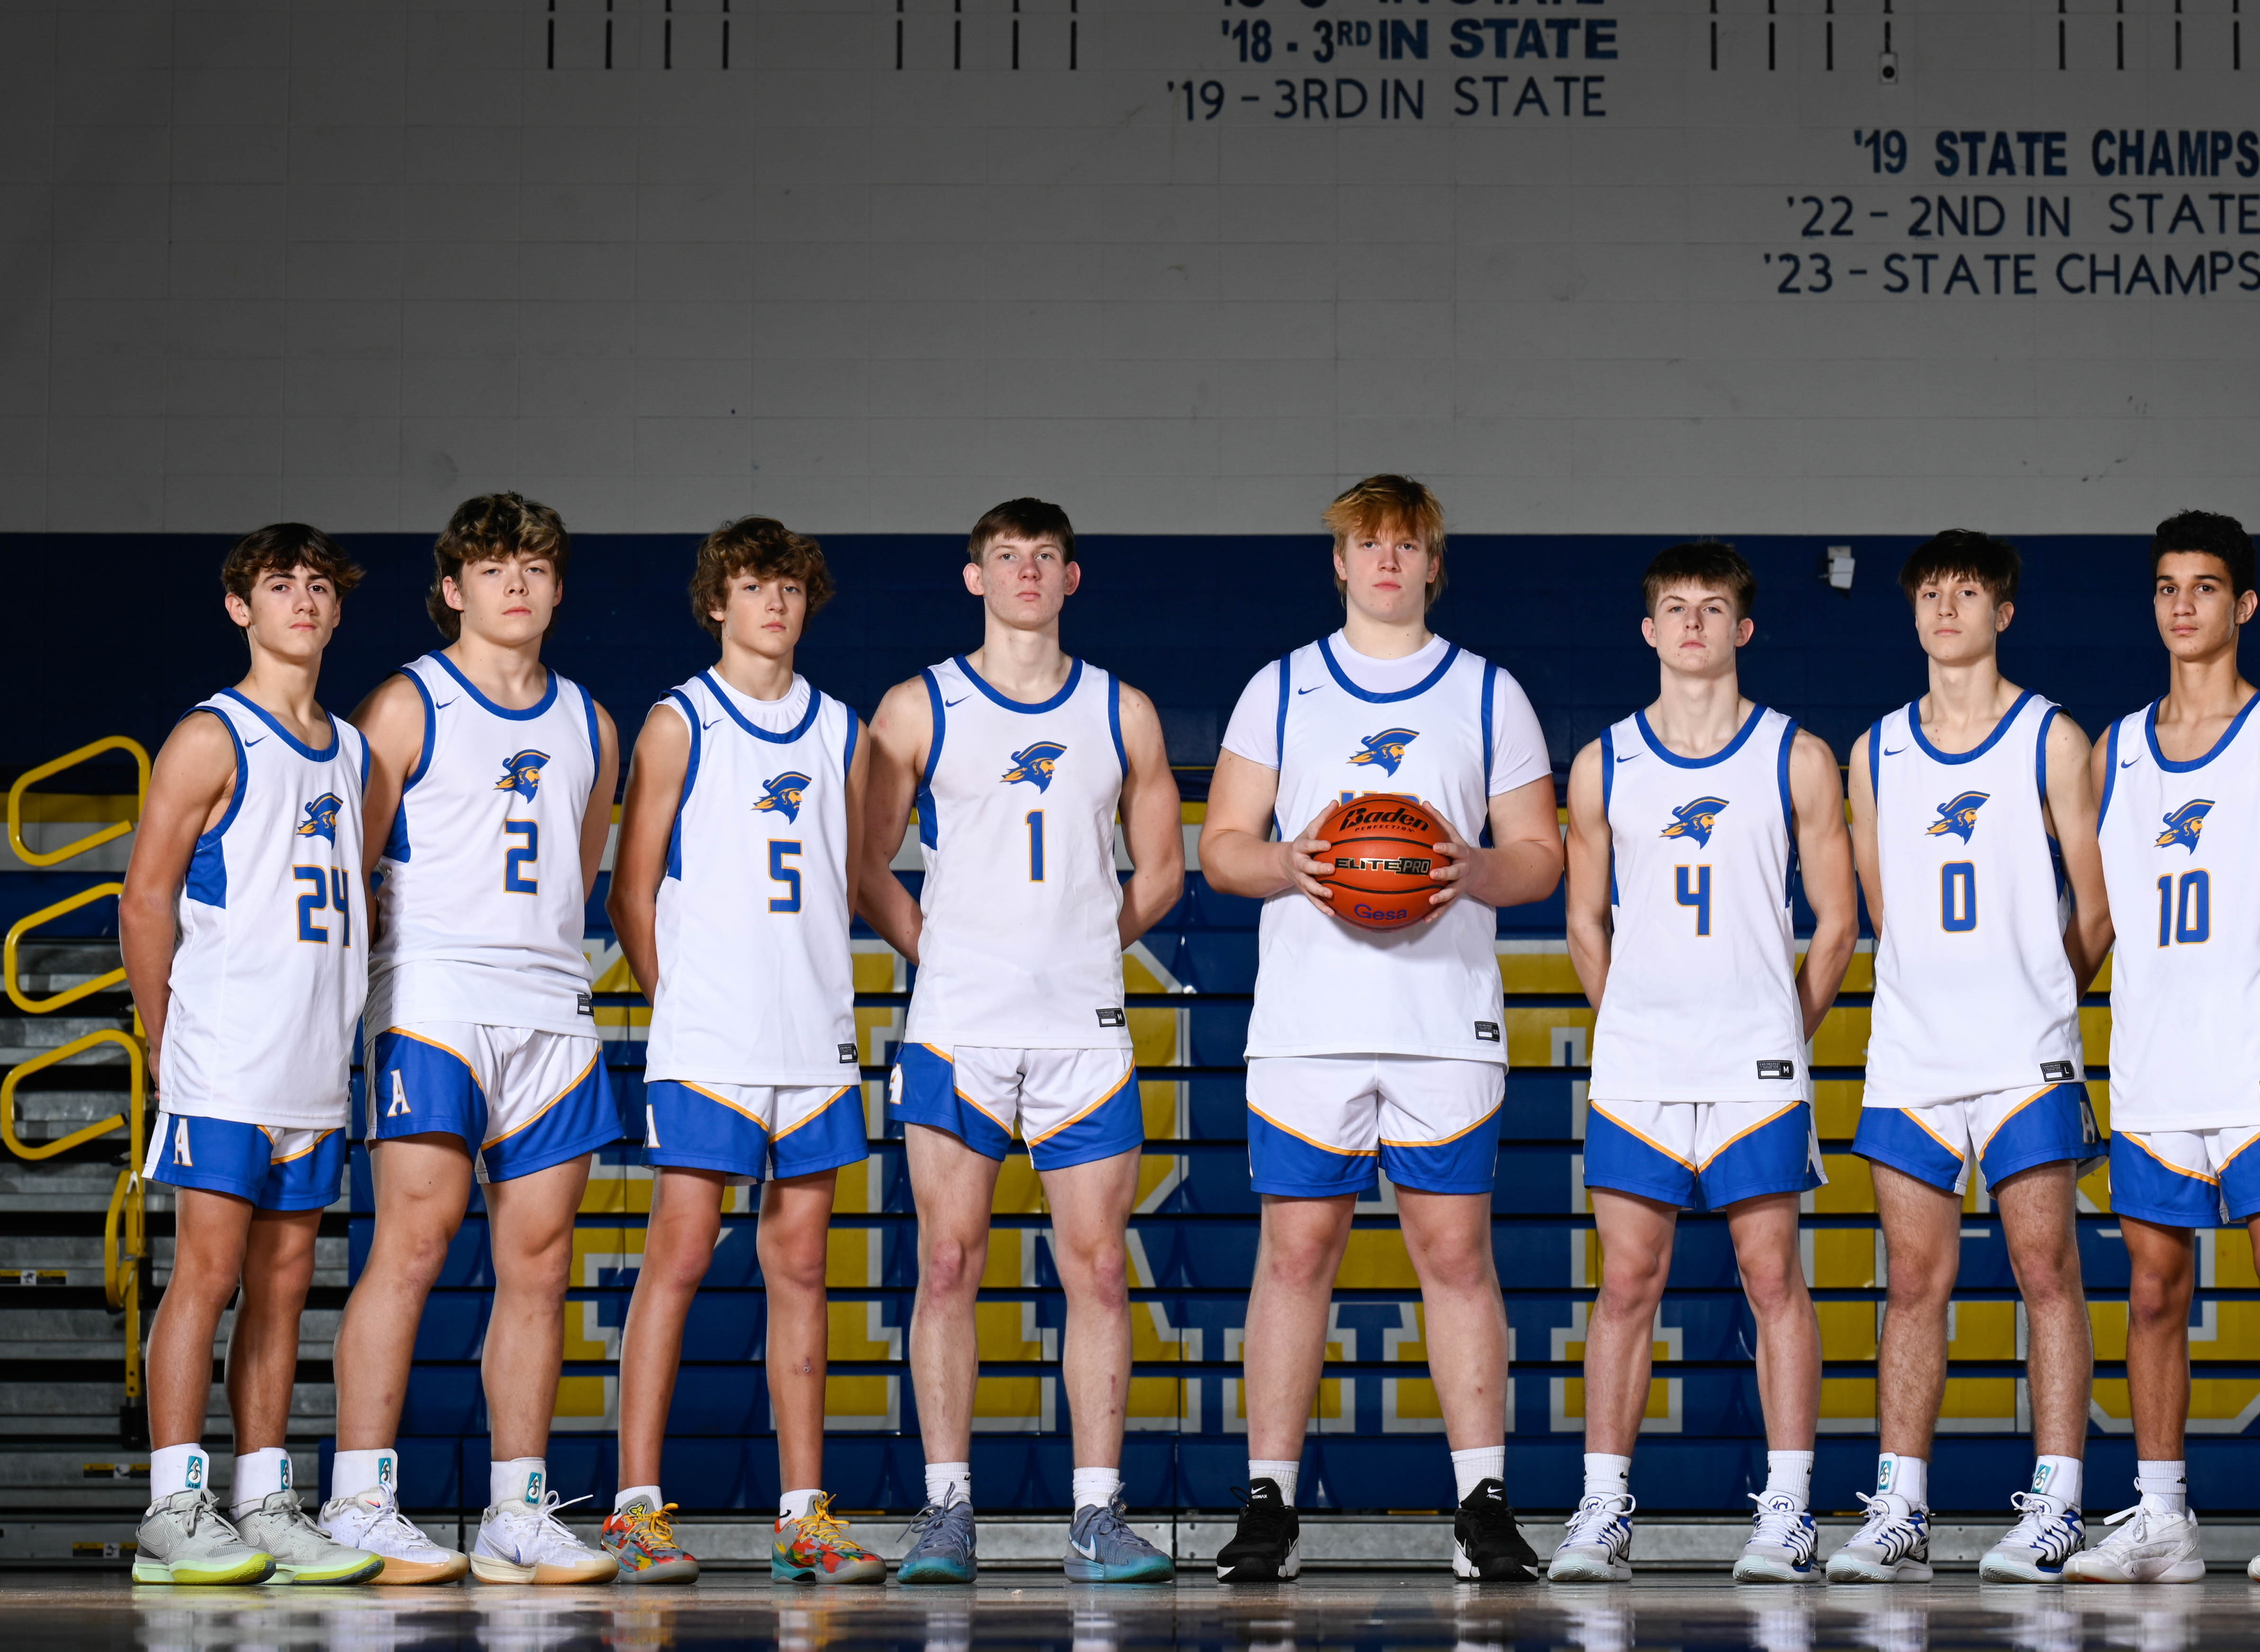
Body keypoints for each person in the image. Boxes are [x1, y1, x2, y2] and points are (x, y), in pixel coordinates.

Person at [1199, 474, 1563, 1582]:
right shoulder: (1282, 686)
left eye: (1407, 545)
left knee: (1456, 1257)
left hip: (1443, 1020)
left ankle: (1482, 1506)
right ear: (1341, 563)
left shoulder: (1490, 691)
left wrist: (1471, 869)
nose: (1388, 561)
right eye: (1369, 544)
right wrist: (1289, 862)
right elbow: (1222, 847)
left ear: (1434, 565)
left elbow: (1540, 857)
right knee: (1294, 1255)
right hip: (1308, 1023)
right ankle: (1268, 1505)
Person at [855, 499, 1186, 1583]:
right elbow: (865, 864)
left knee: (1099, 1268)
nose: (1027, 572)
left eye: (1046, 557)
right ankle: (947, 1508)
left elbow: (1163, 872)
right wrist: (939, 951)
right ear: (975, 577)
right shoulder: (919, 705)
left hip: (1082, 1030)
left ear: (1072, 578)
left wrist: (1081, 945)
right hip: (960, 1029)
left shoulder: (1121, 710)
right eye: (1006, 556)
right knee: (947, 1261)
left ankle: (1095, 1513)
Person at [323, 492, 624, 1585]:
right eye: (494, 569)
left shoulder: (591, 722)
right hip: (434, 1000)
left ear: (557, 587)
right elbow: (346, 861)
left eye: (535, 568)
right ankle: (359, 1500)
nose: (516, 586)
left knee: (540, 1266)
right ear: (453, 589)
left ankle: (517, 1511)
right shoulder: (409, 703)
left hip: (551, 1006)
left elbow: (579, 873)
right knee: (412, 1244)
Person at [2063, 511, 2260, 1585]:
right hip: (2155, 1065)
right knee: (2152, 1291)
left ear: (2243, 604)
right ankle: (2161, 1518)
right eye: (2166, 587)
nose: (2182, 605)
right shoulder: (2116, 749)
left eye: (2202, 587)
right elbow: (2098, 918)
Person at [1548, 541, 1856, 1584]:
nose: (1692, 624)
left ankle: (1789, 1513)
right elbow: (1583, 921)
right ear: (1648, 630)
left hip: (1752, 1067)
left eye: (1712, 608)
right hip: (1641, 1067)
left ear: (1743, 628)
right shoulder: (1604, 763)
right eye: (1675, 608)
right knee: (1627, 1282)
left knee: (1772, 1278)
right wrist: (1631, 1021)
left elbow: (1837, 924)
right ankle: (1602, 1511)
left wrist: (1781, 1034)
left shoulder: (1795, 755)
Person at [603, 516, 886, 1585]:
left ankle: (804, 1516)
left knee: (803, 1268)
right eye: (755, 585)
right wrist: (681, 1008)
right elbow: (631, 891)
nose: (775, 603)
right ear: (717, 602)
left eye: (791, 587)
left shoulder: (842, 729)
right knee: (678, 1256)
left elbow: (848, 880)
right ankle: (635, 1510)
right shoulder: (680, 720)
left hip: (812, 1036)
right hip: (711, 1039)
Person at [1826, 530, 2112, 1586]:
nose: (1946, 609)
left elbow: (2098, 906)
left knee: (2046, 1271)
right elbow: (1883, 909)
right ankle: (1900, 1507)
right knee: (1912, 1281)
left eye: (1967, 593)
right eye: (1931, 594)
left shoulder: (2050, 737)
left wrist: (2036, 997)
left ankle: (2057, 1504)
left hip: (2022, 1055)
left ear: (2003, 613)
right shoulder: (1876, 750)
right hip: (1912, 1051)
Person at [119, 525, 384, 1586]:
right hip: (225, 1056)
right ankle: (173, 1505)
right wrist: (165, 1038)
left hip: (313, 1064)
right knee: (207, 1275)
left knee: (283, 1291)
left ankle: (265, 1500)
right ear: (242, 607)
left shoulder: (354, 750)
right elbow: (145, 900)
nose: (303, 601)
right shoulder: (210, 735)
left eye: (320, 586)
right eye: (281, 585)